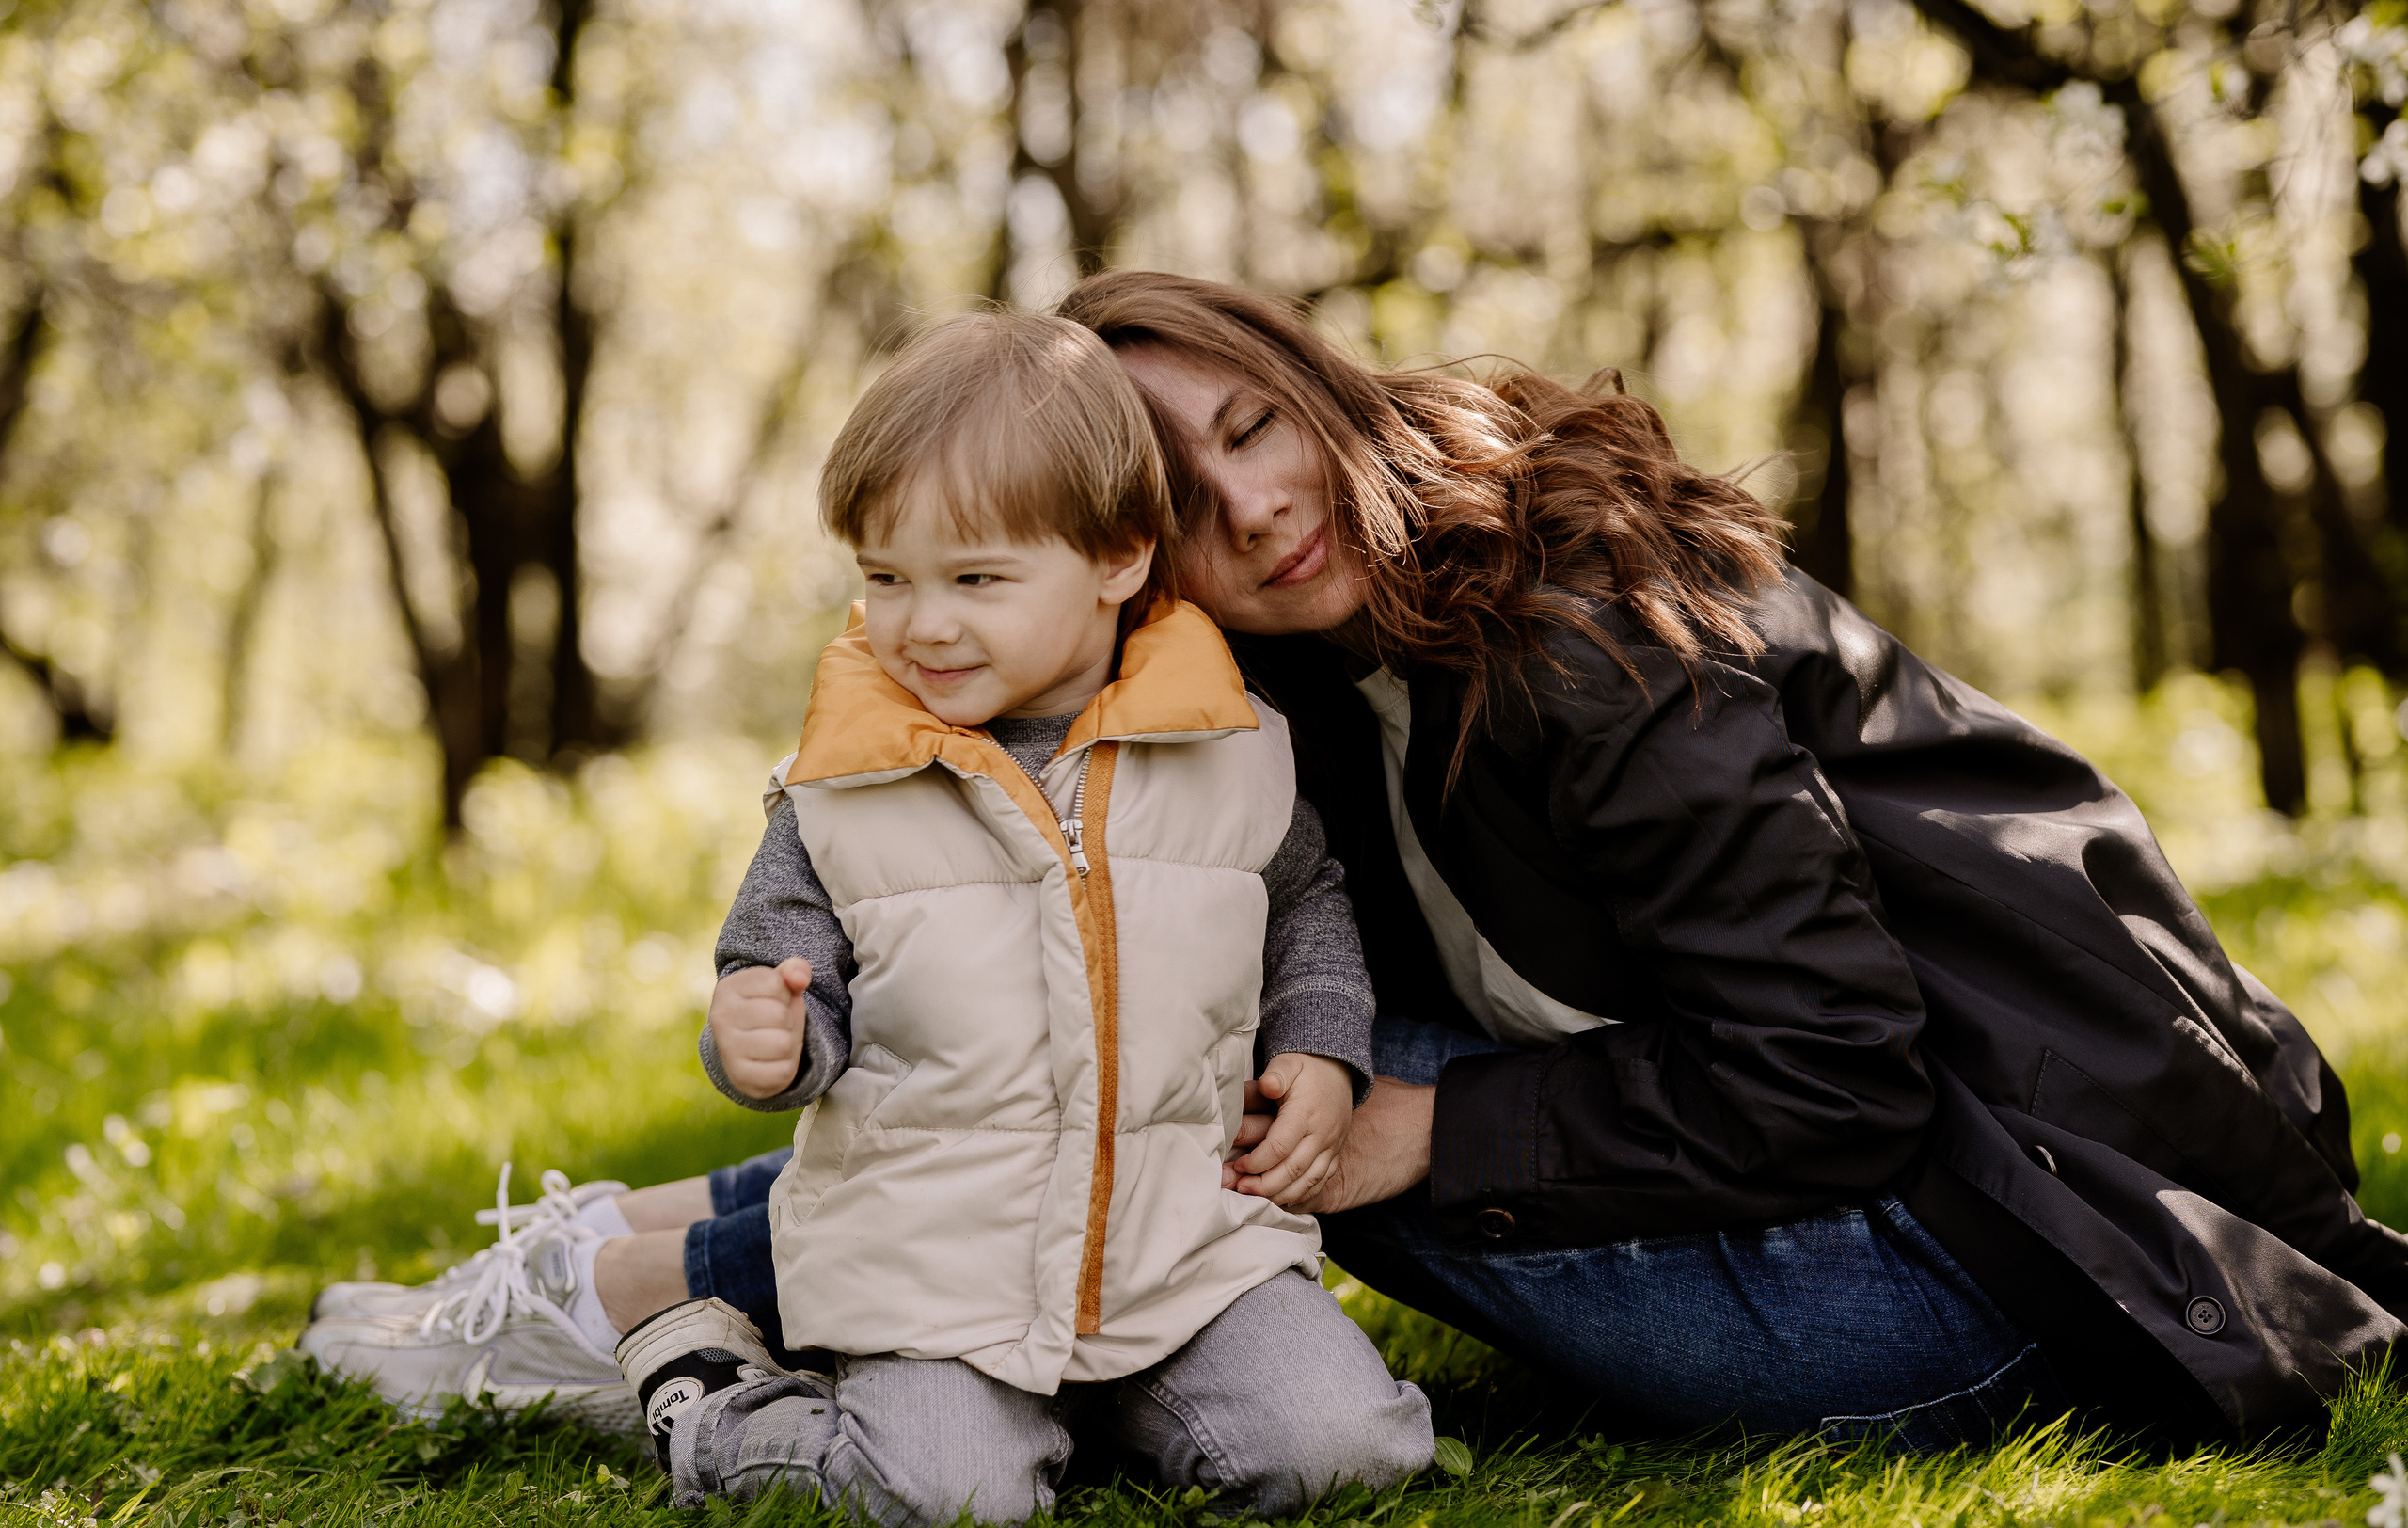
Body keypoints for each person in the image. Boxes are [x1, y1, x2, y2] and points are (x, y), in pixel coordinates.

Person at [309, 270, 2408, 1453]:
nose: (1258, 503)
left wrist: (1428, 1131)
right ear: (1127, 554)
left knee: (1198, 1060)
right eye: (1182, 492)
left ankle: (608, 1285)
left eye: (1256, 423)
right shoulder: (1320, 679)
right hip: (1949, 1214)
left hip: (1980, 1268)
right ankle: (648, 1265)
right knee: (1140, 1000)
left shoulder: (1585, 633)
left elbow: (1830, 1072)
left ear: (1314, 383)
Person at [308, 310, 1434, 1522]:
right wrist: (769, 1034)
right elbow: (781, 956)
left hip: (1182, 1267)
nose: (924, 624)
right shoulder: (847, 786)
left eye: (976, 580)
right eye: (886, 579)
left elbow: (1305, 903)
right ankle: (711, 1397)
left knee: (1343, 1449)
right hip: (936, 1285)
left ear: (1117, 557)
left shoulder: (1234, 749)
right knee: (945, 1501)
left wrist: (1320, 1048)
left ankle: (1099, 1415)